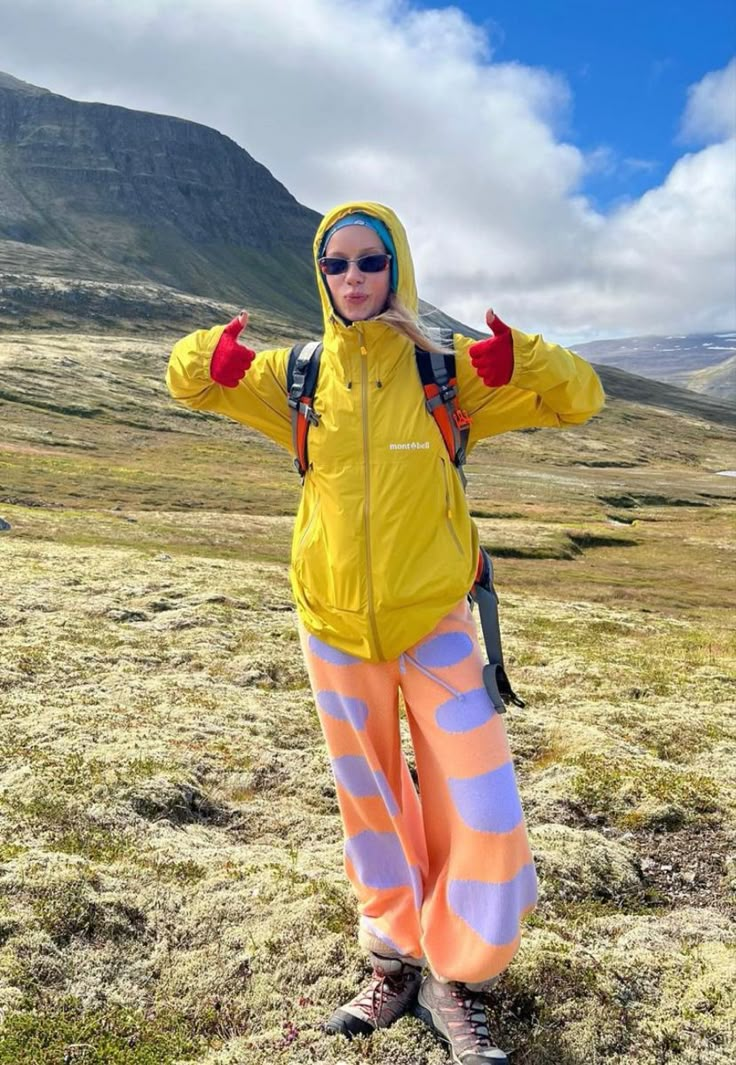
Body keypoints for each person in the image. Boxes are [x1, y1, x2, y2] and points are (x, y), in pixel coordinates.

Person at [166, 200, 605, 1064]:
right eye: (338, 265)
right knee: (371, 807)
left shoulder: (446, 373)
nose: (355, 278)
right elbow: (189, 385)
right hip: (331, 623)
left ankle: (459, 976)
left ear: (397, 268)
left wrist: (528, 357)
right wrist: (200, 353)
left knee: (479, 804)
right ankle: (395, 963)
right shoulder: (297, 376)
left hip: (434, 619)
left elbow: (578, 401)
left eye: (371, 262)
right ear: (320, 273)